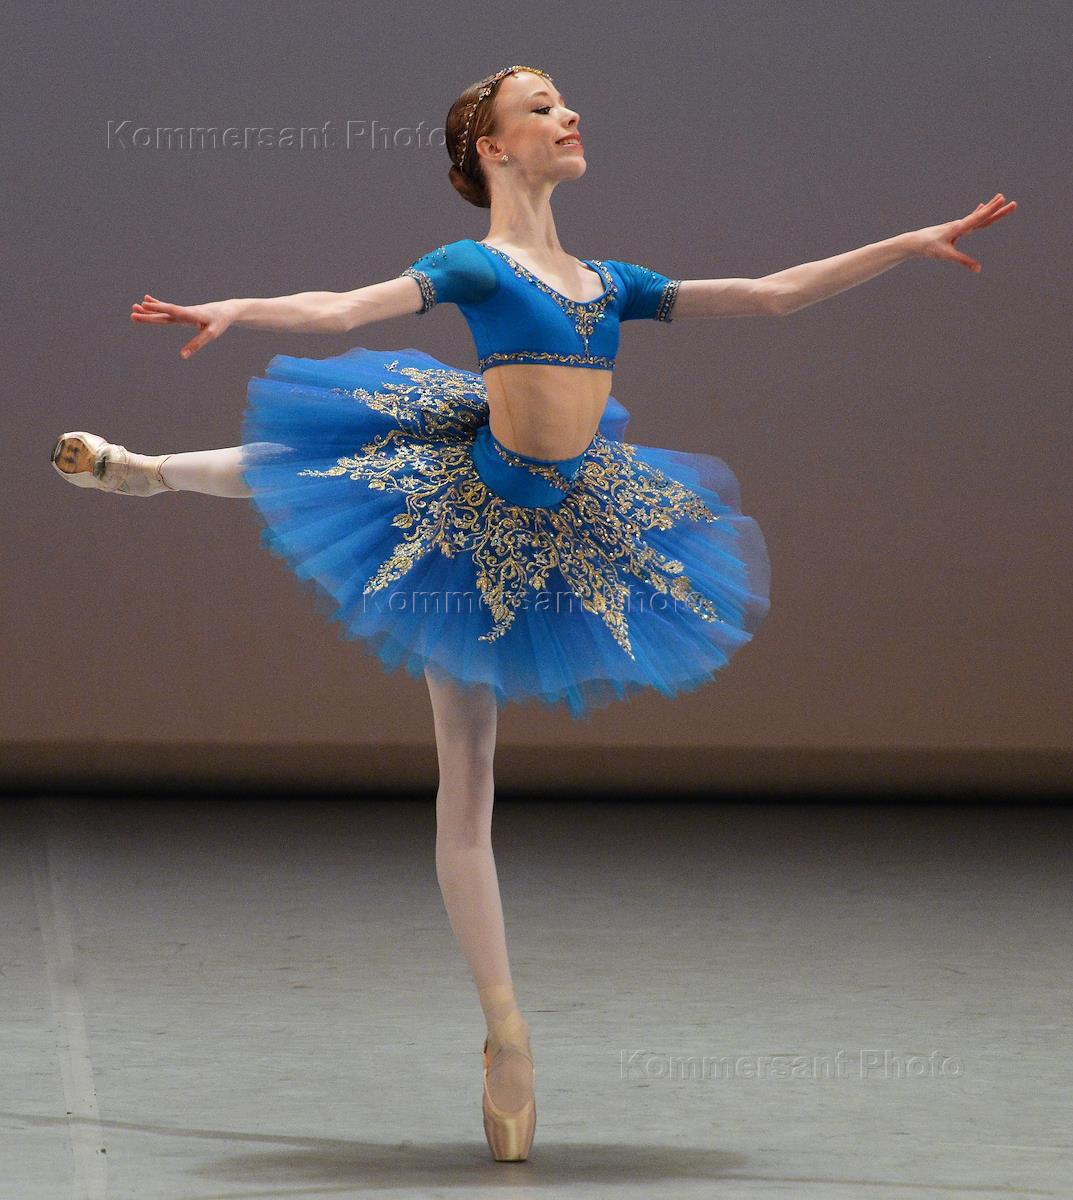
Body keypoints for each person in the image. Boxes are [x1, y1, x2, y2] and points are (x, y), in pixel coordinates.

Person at [49, 64, 1015, 1160]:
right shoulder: (475, 265)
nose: (568, 115)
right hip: (468, 517)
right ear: (494, 148)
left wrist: (906, 243)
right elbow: (345, 309)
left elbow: (769, 294)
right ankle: (506, 1034)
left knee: (461, 746)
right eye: (542, 106)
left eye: (564, 102)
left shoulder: (609, 284)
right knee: (364, 533)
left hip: (571, 515)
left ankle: (150, 474)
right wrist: (237, 307)